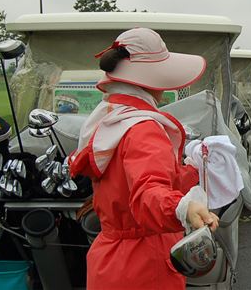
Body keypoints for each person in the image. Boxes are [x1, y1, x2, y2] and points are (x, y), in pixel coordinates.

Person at [69, 28, 219, 289]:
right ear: (150, 79)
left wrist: (190, 173)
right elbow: (148, 194)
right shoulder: (144, 128)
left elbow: (131, 182)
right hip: (146, 263)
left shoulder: (108, 117)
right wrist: (184, 208)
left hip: (110, 259)